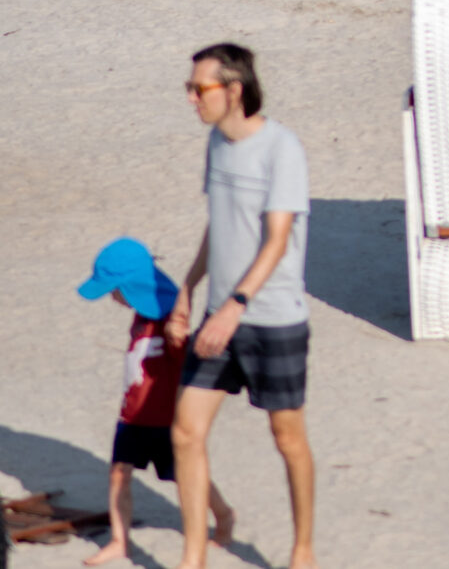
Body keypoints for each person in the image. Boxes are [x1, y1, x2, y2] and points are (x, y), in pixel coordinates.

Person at [171, 43, 316, 569]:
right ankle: (194, 556)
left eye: (200, 89)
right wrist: (189, 287)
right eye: (190, 89)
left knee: (287, 436)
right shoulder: (216, 143)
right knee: (185, 430)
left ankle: (302, 550)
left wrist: (234, 306)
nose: (192, 99)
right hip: (219, 314)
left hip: (272, 318)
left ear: (233, 90)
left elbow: (277, 240)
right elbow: (221, 224)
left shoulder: (282, 149)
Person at [75, 238, 235, 569]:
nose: (112, 298)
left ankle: (223, 515)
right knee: (119, 473)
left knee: (185, 477)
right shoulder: (141, 315)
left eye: (114, 291)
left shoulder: (170, 320)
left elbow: (188, 368)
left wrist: (180, 345)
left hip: (165, 418)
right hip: (133, 414)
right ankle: (120, 542)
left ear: (131, 286)